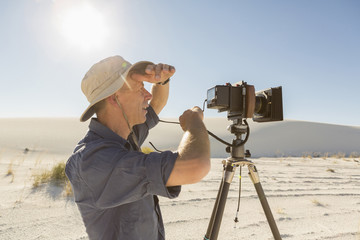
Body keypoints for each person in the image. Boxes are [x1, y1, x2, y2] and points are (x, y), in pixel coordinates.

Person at [65, 55, 210, 240]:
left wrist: (162, 79)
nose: (147, 94)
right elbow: (195, 166)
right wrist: (195, 123)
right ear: (114, 98)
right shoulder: (94, 160)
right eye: (139, 88)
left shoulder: (126, 134)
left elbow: (157, 103)